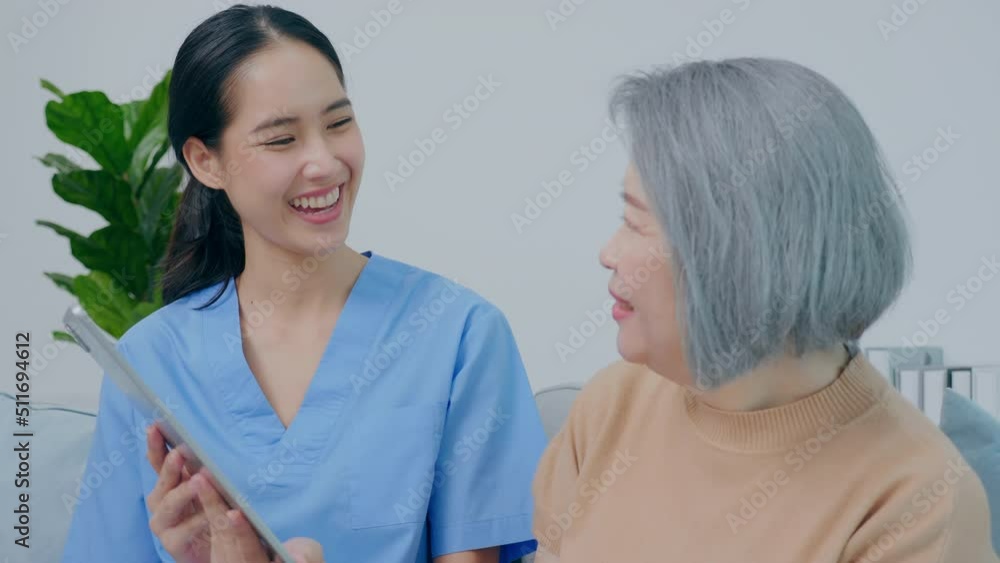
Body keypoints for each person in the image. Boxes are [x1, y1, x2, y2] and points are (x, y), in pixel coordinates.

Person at [59, 5, 545, 563]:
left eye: (338, 123)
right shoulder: (150, 361)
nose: (325, 163)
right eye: (282, 139)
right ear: (206, 161)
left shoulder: (460, 335)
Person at [531, 58, 999, 562]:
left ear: (743, 256)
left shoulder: (917, 503)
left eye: (636, 223)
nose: (609, 253)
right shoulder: (609, 406)